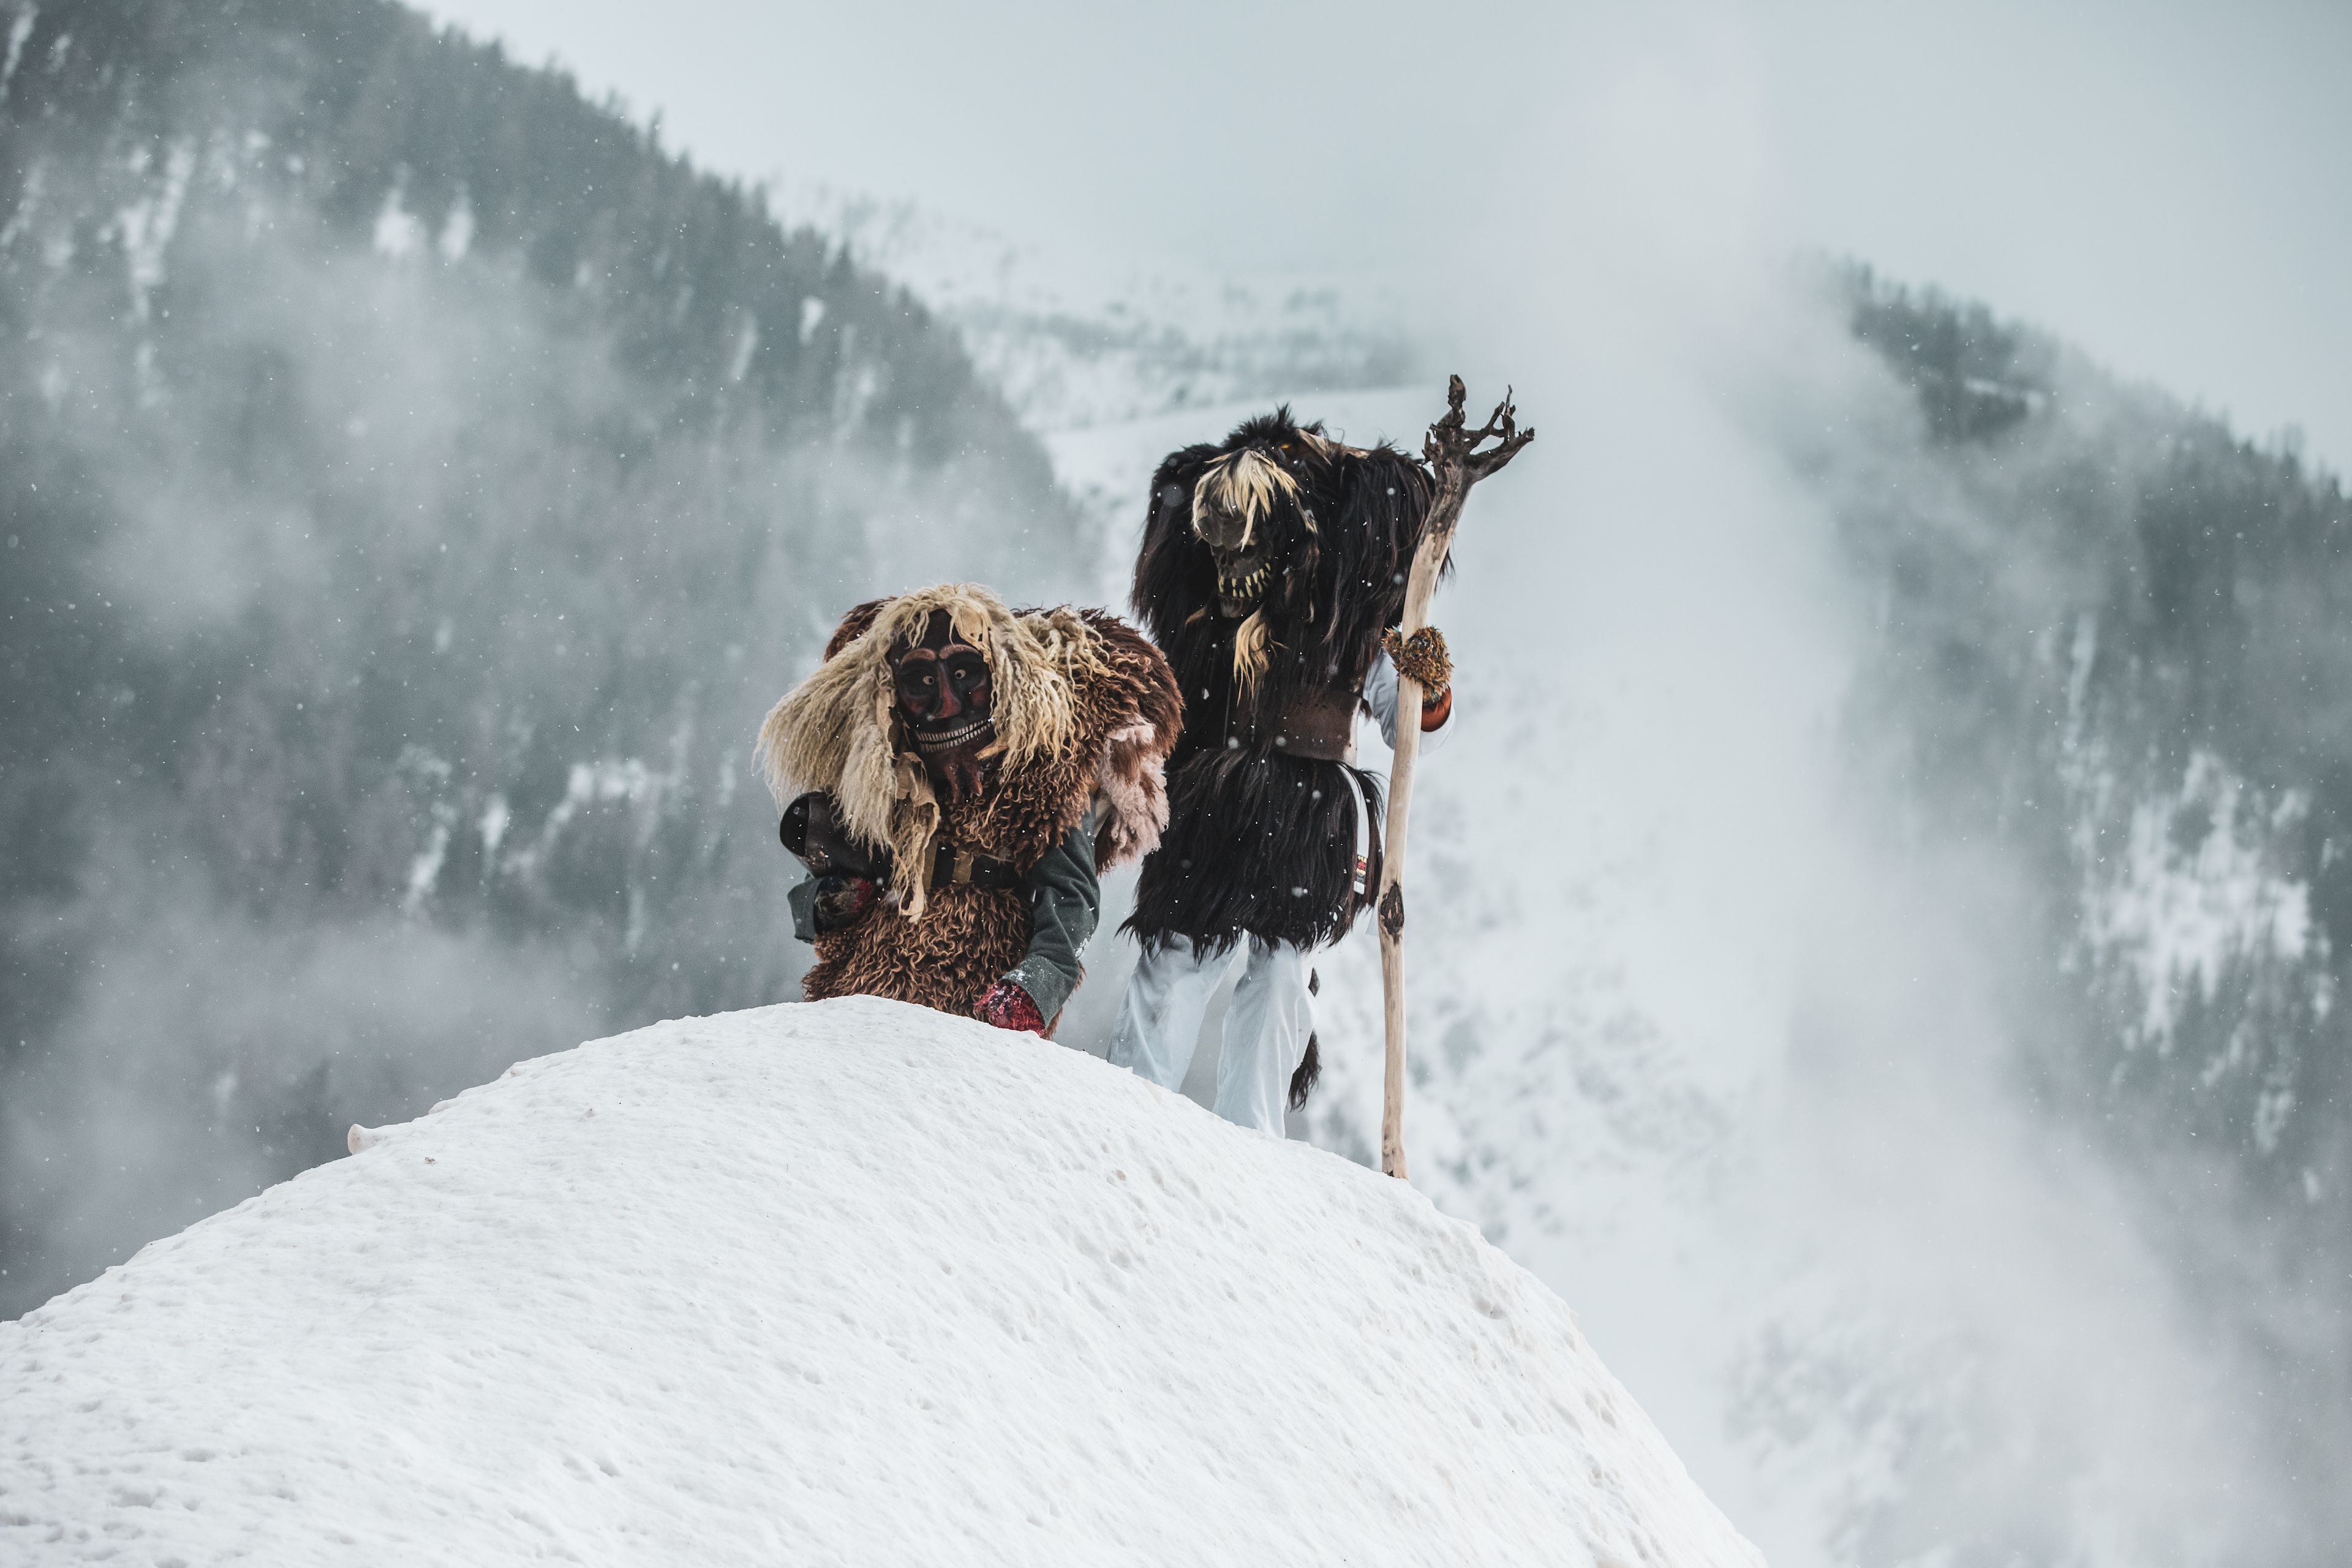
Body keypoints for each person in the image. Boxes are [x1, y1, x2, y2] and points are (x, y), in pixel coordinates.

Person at [1110, 410, 1455, 1129]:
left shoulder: (1351, 599)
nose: (1231, 569)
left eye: (1245, 547)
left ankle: (1251, 1144)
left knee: (1280, 970)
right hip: (1211, 796)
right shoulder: (1202, 596)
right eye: (1219, 549)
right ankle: (1126, 1114)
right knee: (1177, 956)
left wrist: (1428, 680)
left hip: (1307, 812)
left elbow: (1404, 724)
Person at [756, 583, 1181, 1033]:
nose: (947, 705)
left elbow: (1073, 900)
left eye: (965, 674)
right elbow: (811, 898)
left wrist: (1033, 990)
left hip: (981, 997)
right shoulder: (877, 783)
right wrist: (833, 901)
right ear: (891, 695)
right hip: (866, 990)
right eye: (920, 682)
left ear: (1001, 679)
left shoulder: (1041, 776)